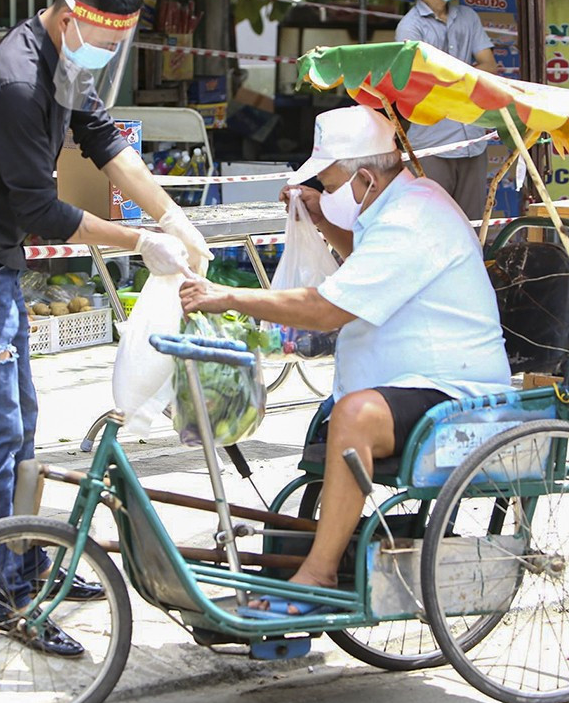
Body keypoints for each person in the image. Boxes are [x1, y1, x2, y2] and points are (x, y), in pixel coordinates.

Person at [0, 0, 211, 655]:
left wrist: (173, 216)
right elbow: (43, 211)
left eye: (118, 43)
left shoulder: (66, 61)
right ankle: (7, 596)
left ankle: (27, 560)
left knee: (20, 428)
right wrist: (139, 242)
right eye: (105, 39)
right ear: (73, 14)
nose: (107, 53)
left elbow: (105, 142)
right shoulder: (17, 79)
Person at [180, 105, 512, 614]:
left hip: (454, 392)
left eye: (330, 185)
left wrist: (224, 295)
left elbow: (324, 310)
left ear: (363, 178)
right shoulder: (398, 203)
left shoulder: (411, 217)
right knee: (337, 411)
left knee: (355, 414)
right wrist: (320, 218)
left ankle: (320, 570)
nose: (326, 193)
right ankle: (314, 553)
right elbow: (369, 264)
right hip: (413, 380)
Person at [396, 0, 498, 220]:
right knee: (433, 224)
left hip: (473, 140)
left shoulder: (468, 17)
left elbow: (490, 66)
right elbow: (420, 83)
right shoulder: (410, 26)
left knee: (473, 226)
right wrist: (469, 75)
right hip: (433, 144)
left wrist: (449, 77)